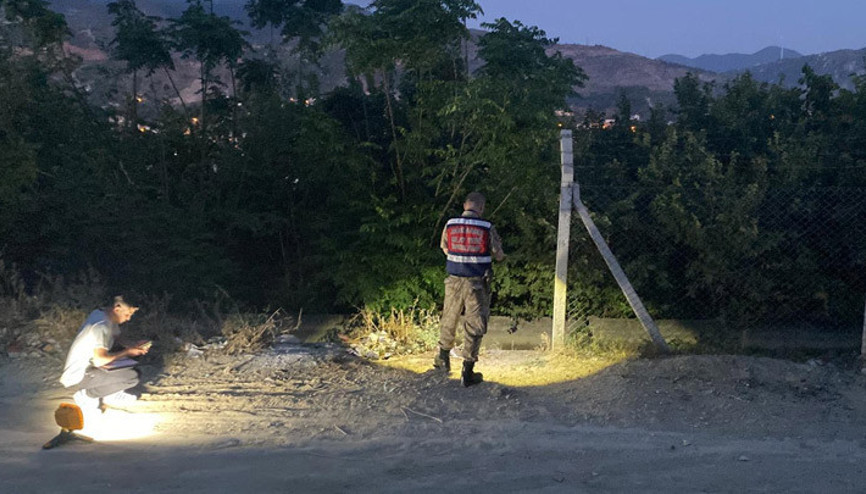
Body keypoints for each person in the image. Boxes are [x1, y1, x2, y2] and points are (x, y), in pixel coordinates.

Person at [434, 192, 505, 386]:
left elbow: (445, 248)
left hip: (454, 280)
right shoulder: (486, 227)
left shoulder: (450, 224)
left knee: (449, 317)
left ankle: (442, 359)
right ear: (481, 208)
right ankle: (467, 371)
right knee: (475, 323)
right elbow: (498, 254)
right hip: (476, 283)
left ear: (465, 205)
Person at [60, 296, 150, 412]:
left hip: (91, 366)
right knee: (132, 377)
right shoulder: (101, 326)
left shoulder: (103, 314)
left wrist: (134, 345)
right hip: (80, 374)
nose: (128, 318)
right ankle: (88, 394)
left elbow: (117, 337)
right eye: (128, 314)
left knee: (131, 364)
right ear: (117, 309)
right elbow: (99, 360)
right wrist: (127, 352)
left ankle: (111, 392)